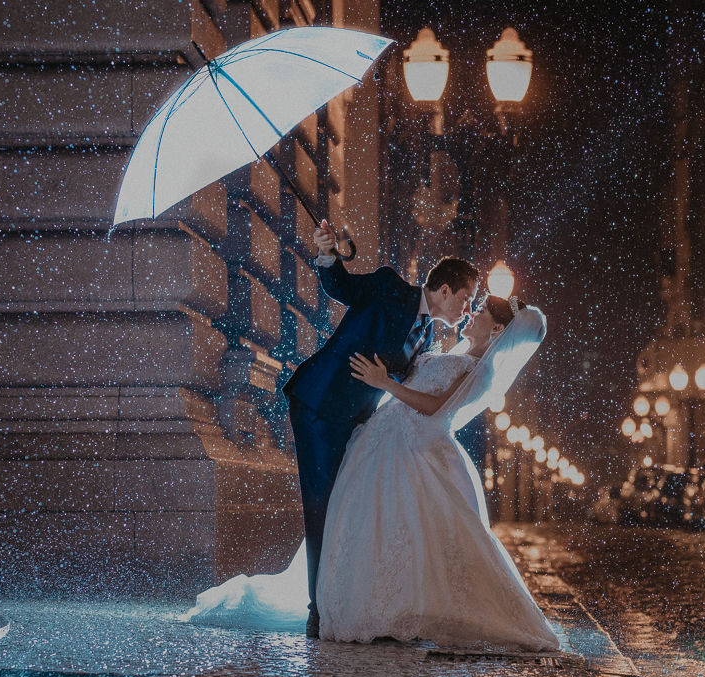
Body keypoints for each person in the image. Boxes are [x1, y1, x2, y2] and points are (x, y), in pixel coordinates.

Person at [181, 292, 559, 652]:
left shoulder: (481, 371)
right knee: (368, 524)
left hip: (414, 452)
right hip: (383, 441)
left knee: (403, 529)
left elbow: (435, 408)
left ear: (496, 331)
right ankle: (363, 600)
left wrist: (385, 384)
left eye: (480, 313)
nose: (471, 314)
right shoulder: (458, 352)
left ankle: (393, 608)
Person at [281, 221, 476, 638]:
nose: (467, 309)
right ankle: (319, 610)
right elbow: (342, 288)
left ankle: (342, 598)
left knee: (346, 506)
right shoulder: (391, 287)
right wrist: (327, 254)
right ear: (444, 291)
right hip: (320, 404)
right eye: (465, 298)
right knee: (322, 505)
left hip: (355, 420)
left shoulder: (425, 333)